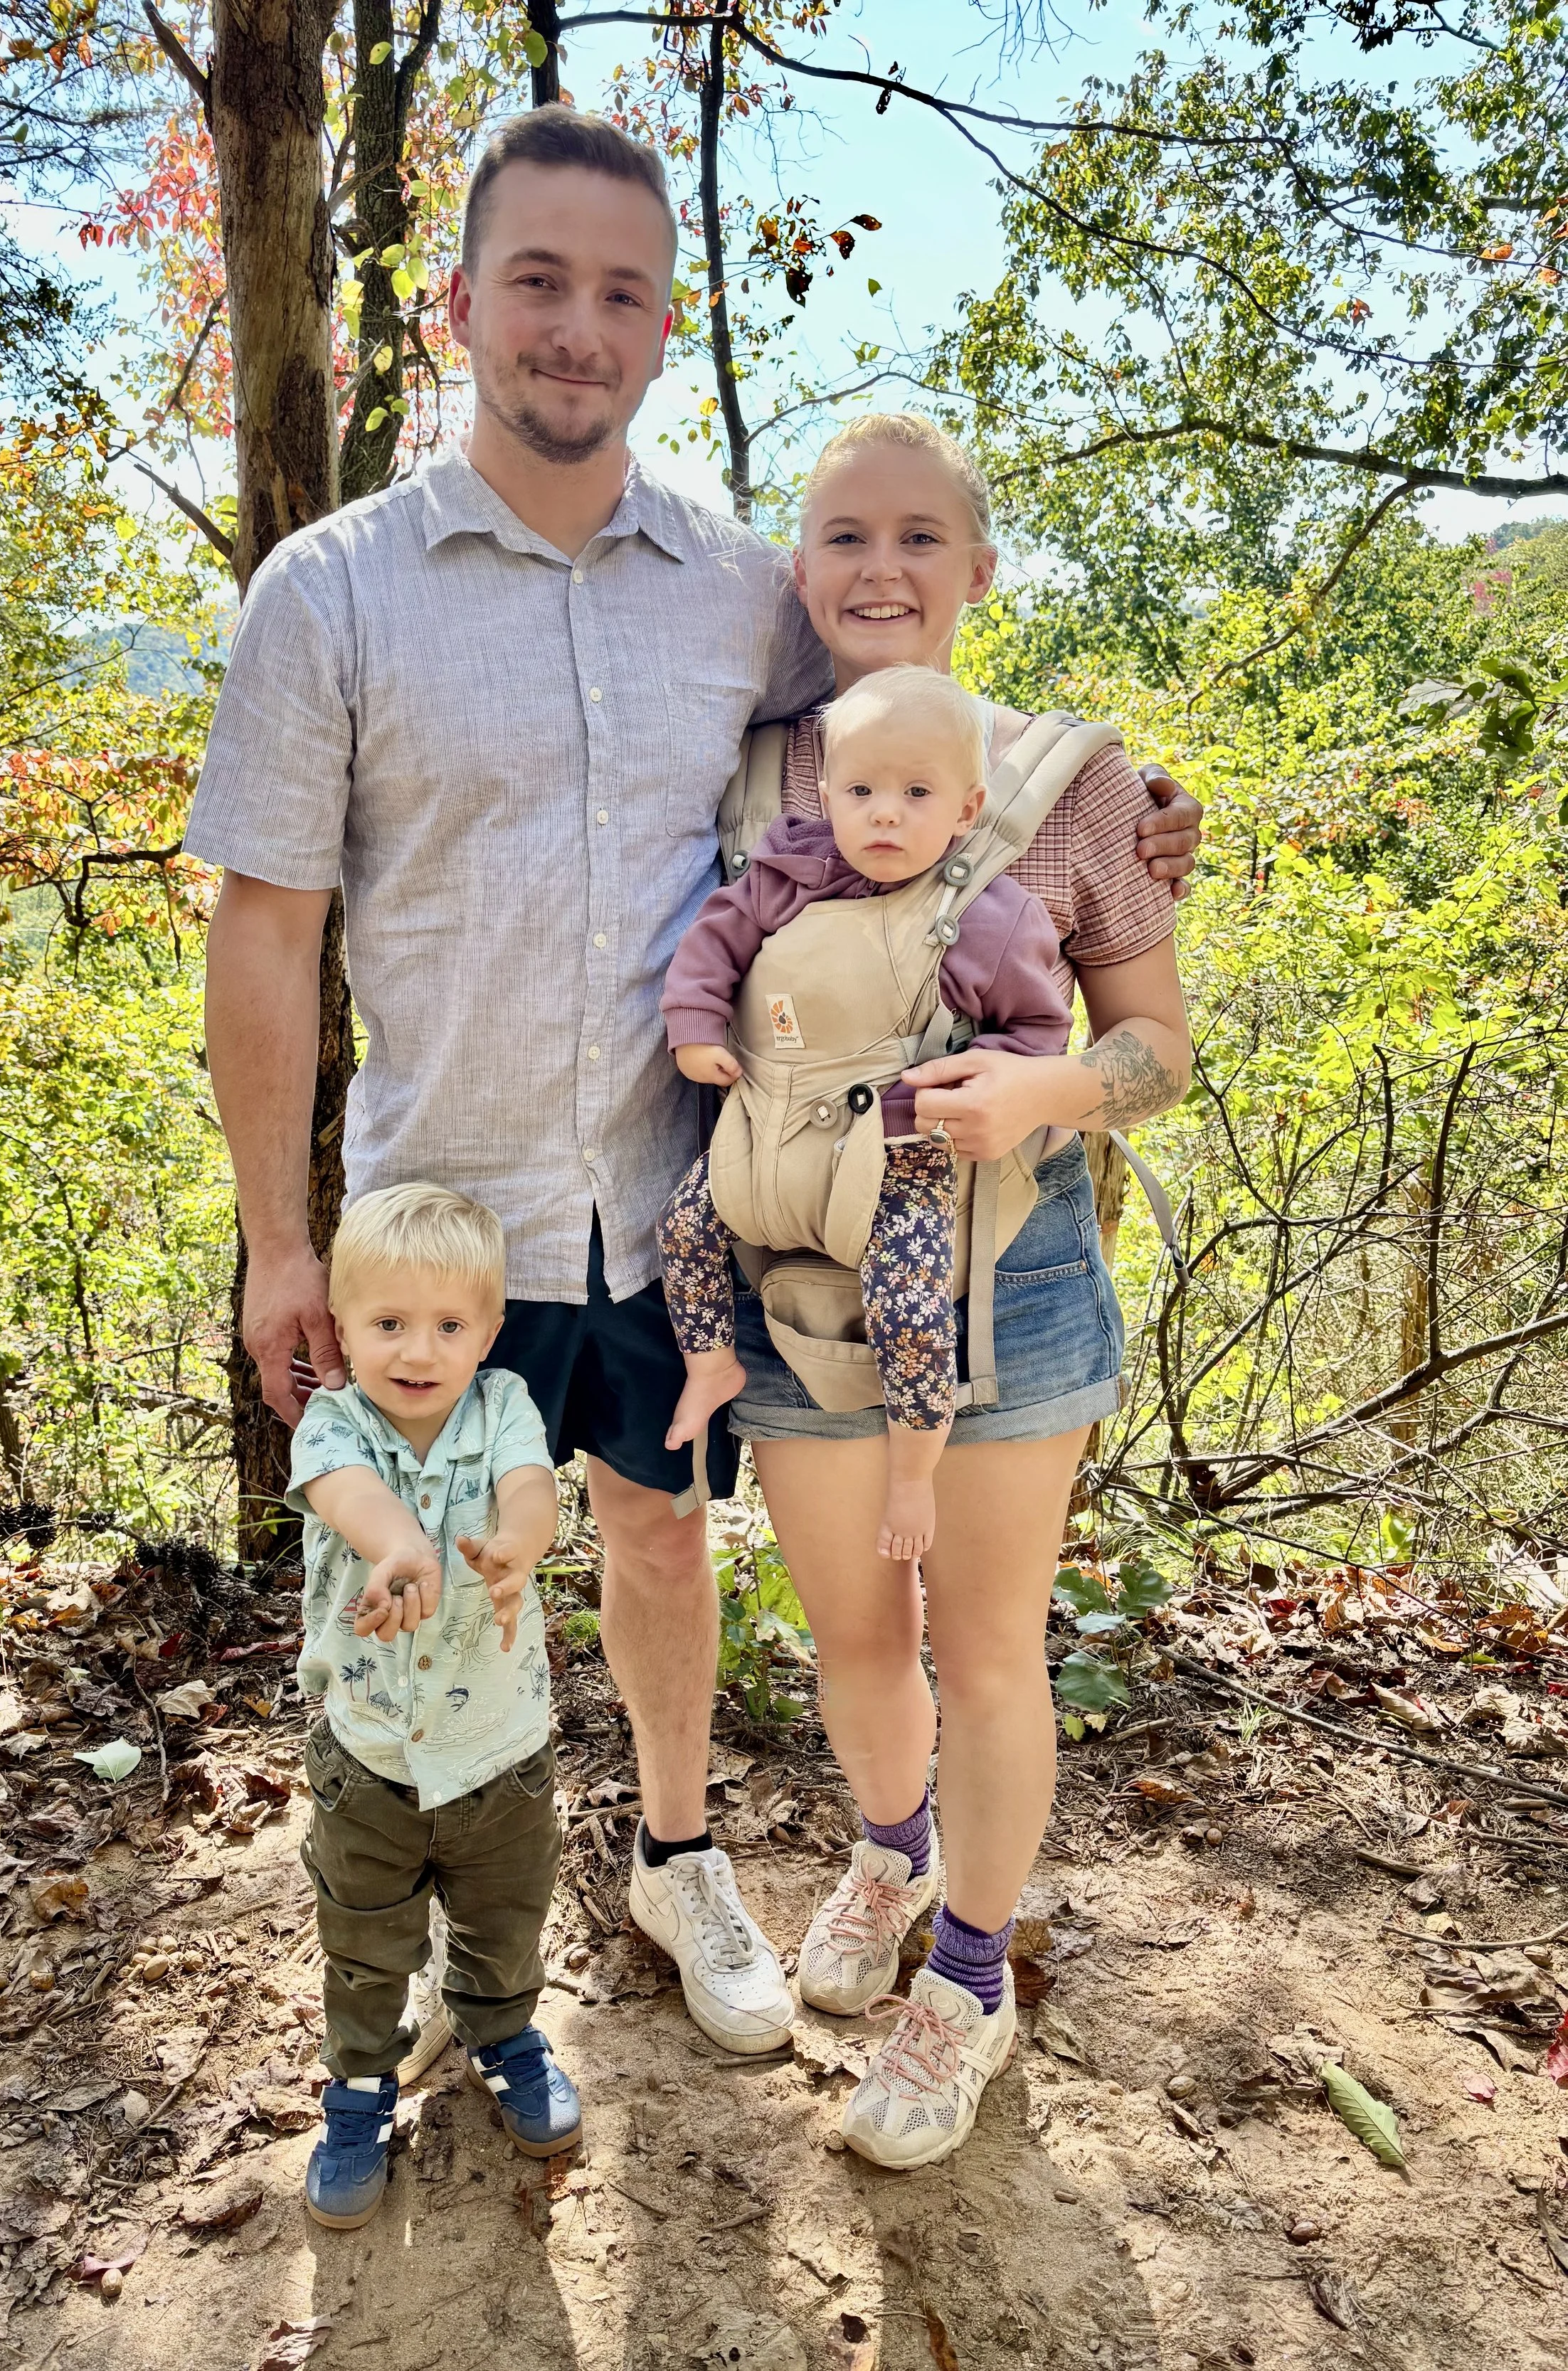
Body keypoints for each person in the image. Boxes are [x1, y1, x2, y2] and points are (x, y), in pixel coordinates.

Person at [184, 110, 1203, 2059]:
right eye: (538, 282)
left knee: (657, 1534)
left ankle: (671, 1854)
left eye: (622, 293)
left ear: (661, 330)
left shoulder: (738, 589)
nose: (578, 327)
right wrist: (272, 1236)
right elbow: (264, 930)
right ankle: (414, 1969)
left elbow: (921, 741)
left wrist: (1129, 801)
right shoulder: (328, 594)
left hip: (675, 1196)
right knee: (433, 1586)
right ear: (457, 306)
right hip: (440, 1215)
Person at [726, 411, 1194, 2168]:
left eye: (922, 538)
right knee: (852, 1631)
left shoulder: (1071, 783)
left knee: (988, 1648)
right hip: (808, 1274)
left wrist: (1055, 1087)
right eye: (846, 536)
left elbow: (1157, 1044)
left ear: (977, 571)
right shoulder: (754, 774)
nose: (882, 569)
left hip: (1023, 1268)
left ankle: (972, 1985)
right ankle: (886, 1849)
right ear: (802, 568)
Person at [656, 665, 1071, 1561]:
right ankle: (708, 1363)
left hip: (899, 1159)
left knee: (910, 1306)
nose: (885, 813)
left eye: (916, 793)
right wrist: (693, 1026)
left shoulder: (990, 918)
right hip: (772, 1130)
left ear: (966, 810)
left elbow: (1038, 1032)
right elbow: (712, 944)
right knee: (686, 1227)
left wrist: (965, 1083)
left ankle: (913, 1471)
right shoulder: (790, 871)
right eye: (862, 791)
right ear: (828, 793)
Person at [287, 1181, 574, 2229]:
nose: (419, 1349)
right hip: (368, 1758)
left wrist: (519, 1546)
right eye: (389, 1323)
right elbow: (348, 1495)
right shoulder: (333, 1421)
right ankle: (359, 2086)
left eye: (449, 1325)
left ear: (488, 1331)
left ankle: (503, 2035)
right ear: (344, 1326)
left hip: (499, 1751)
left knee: (505, 1921)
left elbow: (533, 1485)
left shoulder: (503, 1405)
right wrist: (401, 1546)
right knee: (367, 1939)